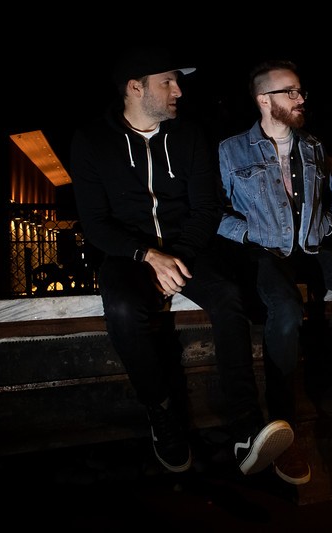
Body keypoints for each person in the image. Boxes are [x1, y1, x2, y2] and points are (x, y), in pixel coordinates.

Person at [70, 46, 293, 475]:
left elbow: (205, 209)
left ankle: (245, 430)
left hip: (186, 248)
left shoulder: (188, 135)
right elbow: (96, 223)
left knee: (228, 298)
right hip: (129, 254)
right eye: (168, 81)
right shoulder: (92, 140)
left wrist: (176, 258)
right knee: (121, 308)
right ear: (136, 87)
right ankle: (161, 410)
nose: (178, 90)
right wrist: (148, 256)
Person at [217, 60, 332, 485]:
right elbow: (216, 211)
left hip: (312, 246)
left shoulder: (313, 146)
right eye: (291, 92)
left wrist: (328, 223)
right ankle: (283, 429)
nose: (301, 99)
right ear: (264, 100)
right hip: (265, 250)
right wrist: (249, 234)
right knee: (284, 311)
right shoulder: (232, 150)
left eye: (301, 91)